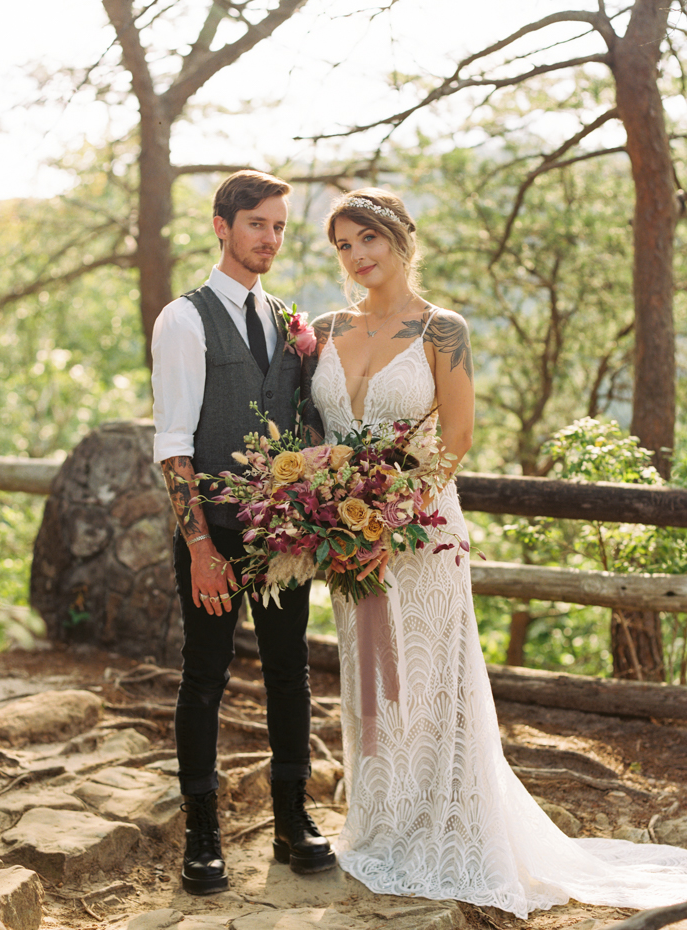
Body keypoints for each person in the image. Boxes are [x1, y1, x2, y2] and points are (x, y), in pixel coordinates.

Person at [309, 188, 687, 918]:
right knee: (369, 681)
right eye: (343, 246)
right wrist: (334, 518)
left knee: (428, 678)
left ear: (399, 240)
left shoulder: (443, 330)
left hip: (420, 530)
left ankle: (447, 827)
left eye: (367, 241)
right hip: (345, 534)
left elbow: (455, 439)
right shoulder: (323, 329)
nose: (356, 258)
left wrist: (392, 515)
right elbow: (313, 437)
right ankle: (383, 825)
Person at [151, 169, 335, 896]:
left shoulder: (290, 319)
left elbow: (305, 417)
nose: (270, 238)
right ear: (222, 227)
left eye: (280, 226)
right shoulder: (185, 319)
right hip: (215, 535)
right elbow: (174, 444)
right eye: (257, 223)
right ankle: (203, 833)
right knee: (205, 679)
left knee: (290, 673)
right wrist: (199, 546)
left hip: (285, 533)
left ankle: (293, 819)